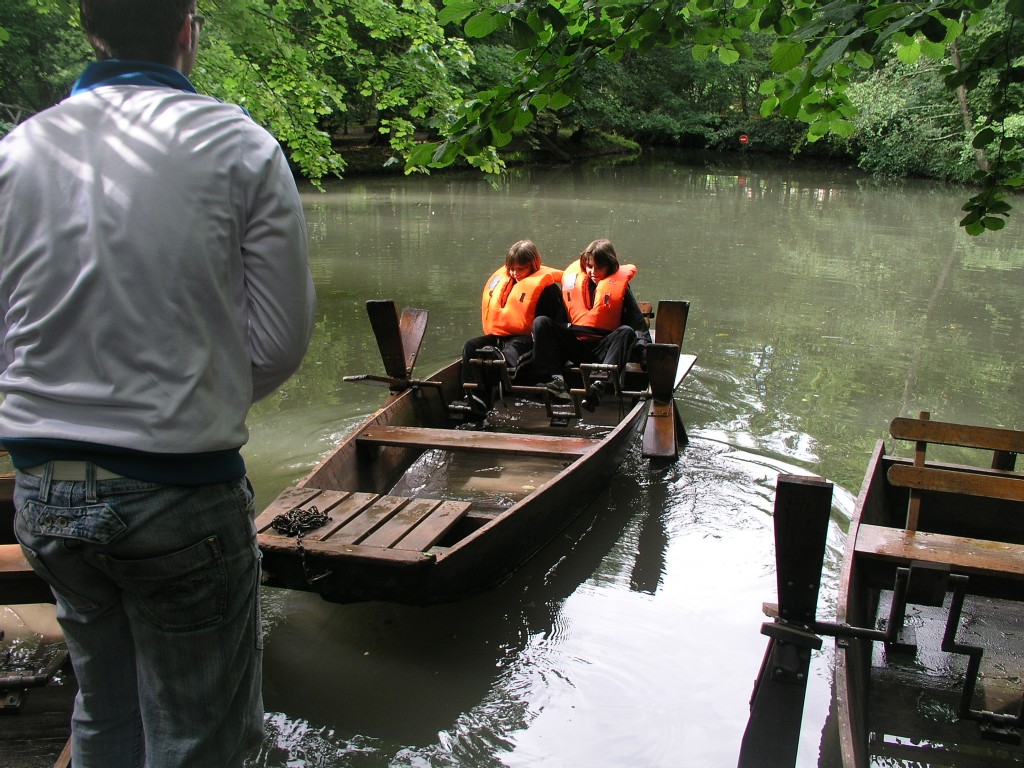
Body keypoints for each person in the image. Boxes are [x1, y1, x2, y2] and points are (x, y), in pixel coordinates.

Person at [0, 2, 315, 767]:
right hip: (179, 494)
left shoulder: (18, 150)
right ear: (187, 28)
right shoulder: (239, 145)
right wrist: (191, 398)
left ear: (89, 30)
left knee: (104, 719)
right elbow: (276, 343)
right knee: (201, 741)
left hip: (45, 491)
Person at [532, 239, 651, 412]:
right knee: (541, 322)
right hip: (577, 347)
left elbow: (638, 324)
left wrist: (645, 353)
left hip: (605, 352)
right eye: (589, 266)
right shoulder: (574, 285)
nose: (592, 272)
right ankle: (556, 382)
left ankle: (600, 384)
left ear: (610, 266)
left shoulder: (620, 288)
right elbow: (559, 322)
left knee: (626, 332)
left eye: (598, 267)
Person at [456, 240, 564, 417]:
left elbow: (551, 327)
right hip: (500, 336)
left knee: (512, 349)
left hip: (529, 340)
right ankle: (476, 397)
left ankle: (505, 365)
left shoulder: (548, 289)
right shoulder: (506, 283)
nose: (515, 273)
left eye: (520, 269)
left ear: (534, 266)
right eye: (511, 269)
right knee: (470, 346)